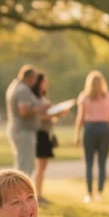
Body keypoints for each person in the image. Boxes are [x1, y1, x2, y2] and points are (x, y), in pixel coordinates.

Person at [75, 71, 109, 203]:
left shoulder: (84, 97)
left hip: (90, 128)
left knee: (89, 163)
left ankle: (89, 193)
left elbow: (80, 117)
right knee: (102, 163)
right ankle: (100, 192)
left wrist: (77, 134)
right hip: (104, 129)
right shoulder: (107, 96)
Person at [32, 72, 69, 205]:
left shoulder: (43, 98)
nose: (46, 84)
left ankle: (39, 195)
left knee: (42, 168)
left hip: (46, 134)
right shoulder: (36, 99)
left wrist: (58, 114)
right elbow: (38, 117)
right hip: (40, 134)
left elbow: (48, 116)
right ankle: (37, 196)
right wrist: (53, 114)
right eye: (44, 82)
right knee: (40, 168)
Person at [6, 65, 50, 176]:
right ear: (29, 78)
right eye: (35, 79)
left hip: (20, 129)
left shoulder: (15, 86)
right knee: (25, 167)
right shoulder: (23, 90)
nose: (35, 82)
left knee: (23, 163)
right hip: (23, 131)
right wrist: (42, 108)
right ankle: (20, 192)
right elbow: (24, 112)